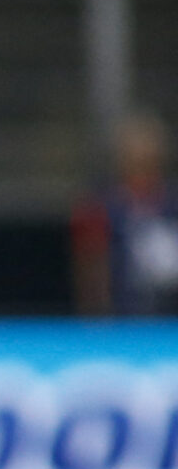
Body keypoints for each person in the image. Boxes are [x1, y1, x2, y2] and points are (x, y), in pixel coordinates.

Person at [72, 108, 178, 315]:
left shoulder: (172, 203)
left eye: (149, 160)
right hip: (123, 317)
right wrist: (97, 317)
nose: (143, 167)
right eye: (136, 160)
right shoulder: (100, 205)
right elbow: (91, 265)